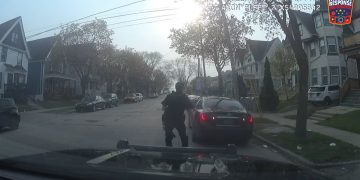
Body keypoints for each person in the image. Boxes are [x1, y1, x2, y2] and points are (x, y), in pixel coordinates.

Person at [161, 82, 193, 147]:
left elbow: (163, 108)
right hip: (179, 120)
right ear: (182, 88)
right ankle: (184, 152)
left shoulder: (170, 96)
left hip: (169, 120)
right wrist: (191, 123)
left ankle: (168, 151)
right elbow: (190, 111)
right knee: (183, 137)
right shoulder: (184, 97)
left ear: (176, 88)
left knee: (168, 138)